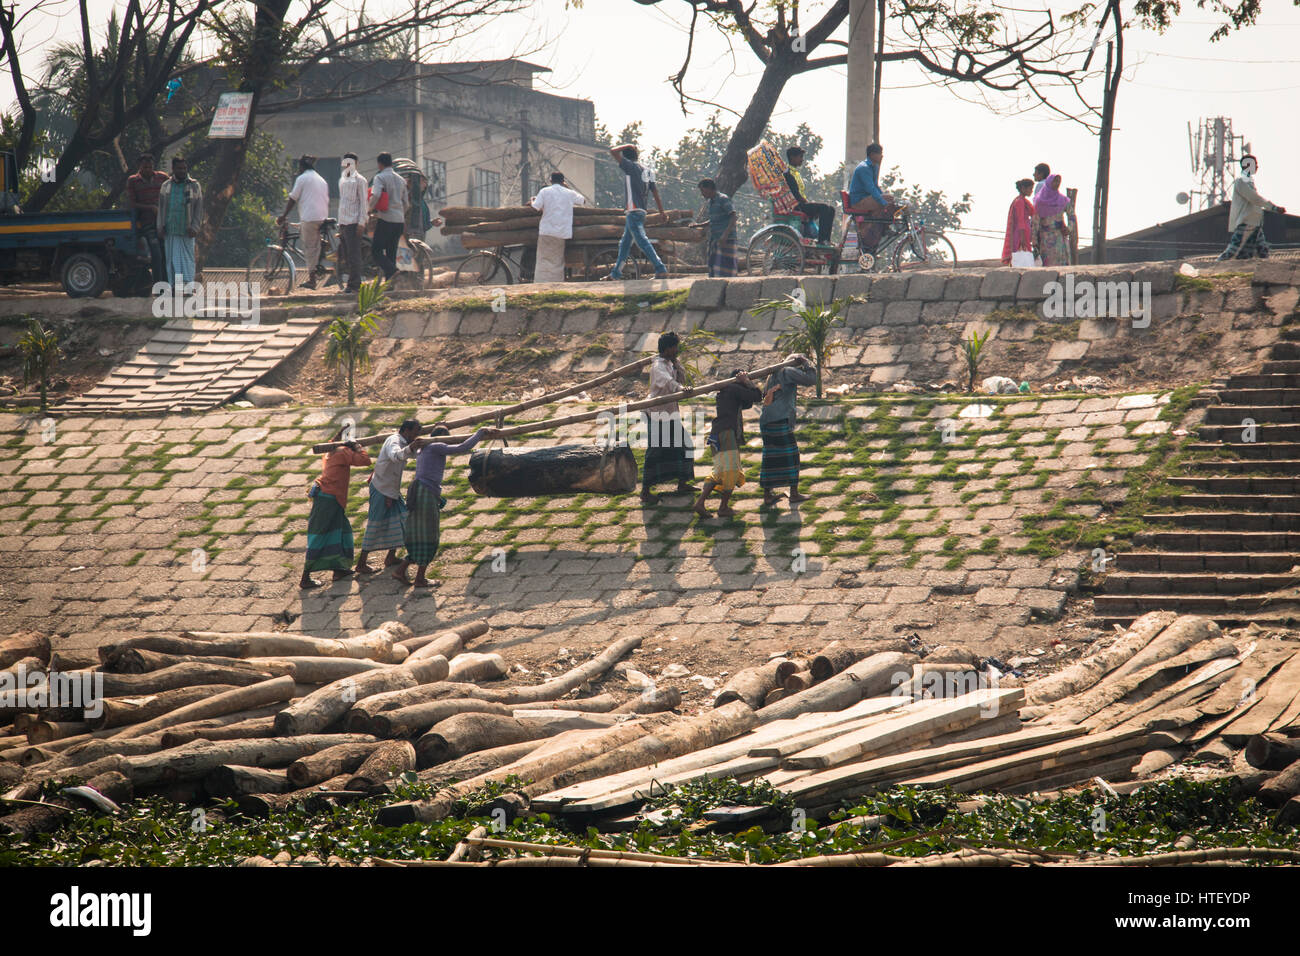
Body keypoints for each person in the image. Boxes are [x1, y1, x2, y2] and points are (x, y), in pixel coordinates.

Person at [398, 425, 501, 588]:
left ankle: (401, 570)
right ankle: (420, 578)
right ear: (441, 437)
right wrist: (480, 432)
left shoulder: (424, 449)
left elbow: (460, 443)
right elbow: (463, 447)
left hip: (420, 491)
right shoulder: (435, 446)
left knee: (420, 532)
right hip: (425, 493)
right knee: (429, 534)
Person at [301, 429, 371, 589]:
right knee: (319, 536)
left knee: (342, 532)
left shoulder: (330, 450)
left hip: (327, 496)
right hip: (329, 498)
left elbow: (333, 441)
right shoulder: (342, 451)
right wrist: (358, 447)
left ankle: (339, 569)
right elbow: (365, 460)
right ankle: (305, 577)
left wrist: (340, 434)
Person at [355, 418, 421, 576]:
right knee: (375, 524)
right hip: (381, 488)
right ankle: (361, 563)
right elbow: (395, 456)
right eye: (416, 431)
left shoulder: (404, 443)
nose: (417, 435)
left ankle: (390, 557)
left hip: (392, 490)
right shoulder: (394, 440)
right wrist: (412, 447)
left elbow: (414, 455)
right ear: (406, 430)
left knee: (403, 521)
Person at [694, 369, 762, 518]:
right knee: (731, 471)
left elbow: (748, 403)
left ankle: (700, 503)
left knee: (719, 471)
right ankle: (723, 507)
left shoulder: (728, 392)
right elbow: (757, 396)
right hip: (726, 434)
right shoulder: (734, 388)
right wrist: (748, 382)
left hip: (718, 434)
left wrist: (746, 384)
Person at [640, 331, 698, 504]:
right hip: (658, 414)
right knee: (655, 452)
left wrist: (678, 365)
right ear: (668, 348)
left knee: (684, 445)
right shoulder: (658, 366)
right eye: (675, 347)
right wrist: (681, 388)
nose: (677, 350)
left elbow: (681, 377)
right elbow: (667, 382)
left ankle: (682, 483)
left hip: (670, 412)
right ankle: (645, 491)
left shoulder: (670, 363)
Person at [759, 354, 818, 508]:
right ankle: (794, 493)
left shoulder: (773, 375)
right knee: (792, 456)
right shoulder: (787, 372)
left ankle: (767, 495)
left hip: (767, 420)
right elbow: (811, 379)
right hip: (779, 419)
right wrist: (806, 363)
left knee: (770, 458)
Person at [605, 144, 668, 280]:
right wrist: (661, 212)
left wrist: (627, 145)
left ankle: (660, 268)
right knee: (625, 244)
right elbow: (655, 192)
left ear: (626, 157)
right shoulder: (647, 170)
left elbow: (613, 151)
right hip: (641, 212)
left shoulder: (630, 166)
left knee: (642, 241)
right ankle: (616, 273)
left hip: (633, 210)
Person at [1219, 154, 1286, 260]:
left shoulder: (1249, 182)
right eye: (1255, 164)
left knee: (1261, 251)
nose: (1257, 167)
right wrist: (1273, 207)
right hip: (1246, 223)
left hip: (1255, 223)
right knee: (1233, 251)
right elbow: (1254, 198)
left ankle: (1263, 272)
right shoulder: (1241, 182)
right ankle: (1214, 267)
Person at [279, 155, 329, 289]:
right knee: (314, 244)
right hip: (321, 216)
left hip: (310, 218)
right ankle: (319, 259)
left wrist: (283, 216)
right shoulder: (321, 179)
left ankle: (312, 280)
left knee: (309, 248)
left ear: (301, 167)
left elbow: (292, 198)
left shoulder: (302, 179)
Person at [531, 171, 585, 282]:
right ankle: (556, 284)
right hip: (561, 232)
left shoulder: (544, 191)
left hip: (546, 231)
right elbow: (583, 201)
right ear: (563, 181)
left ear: (550, 180)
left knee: (543, 259)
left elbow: (536, 207)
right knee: (557, 260)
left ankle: (541, 284)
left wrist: (532, 200)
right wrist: (567, 187)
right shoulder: (569, 193)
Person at [157, 156, 202, 286]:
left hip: (187, 230)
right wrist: (160, 226)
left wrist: (195, 227)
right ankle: (175, 287)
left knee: (187, 260)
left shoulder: (194, 185)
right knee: (172, 260)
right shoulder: (166, 186)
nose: (182, 171)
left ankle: (188, 287)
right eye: (179, 168)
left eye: (184, 168)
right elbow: (161, 208)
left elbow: (199, 209)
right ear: (173, 169)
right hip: (170, 229)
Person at [124, 153, 168, 284]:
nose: (148, 170)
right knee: (156, 253)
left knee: (166, 254)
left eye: (150, 167)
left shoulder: (162, 177)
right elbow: (132, 204)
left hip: (164, 222)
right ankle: (158, 285)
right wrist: (151, 208)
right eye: (145, 167)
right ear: (140, 167)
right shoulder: (133, 180)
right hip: (147, 223)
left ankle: (167, 283)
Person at [846, 143, 897, 252]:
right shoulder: (864, 168)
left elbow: (876, 187)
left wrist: (884, 198)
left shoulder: (874, 166)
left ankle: (885, 227)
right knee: (887, 203)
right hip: (859, 201)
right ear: (873, 155)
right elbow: (871, 189)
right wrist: (883, 203)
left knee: (891, 199)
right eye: (879, 154)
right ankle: (885, 229)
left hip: (867, 198)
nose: (881, 157)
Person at [369, 152, 409, 283]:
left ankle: (392, 271)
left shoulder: (379, 177)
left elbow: (375, 195)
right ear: (391, 163)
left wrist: (368, 209)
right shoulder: (401, 180)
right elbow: (406, 204)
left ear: (379, 164)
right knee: (391, 252)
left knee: (376, 251)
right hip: (399, 221)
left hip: (386, 219)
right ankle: (390, 285)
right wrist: (400, 214)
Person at [783, 146, 834, 243]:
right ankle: (822, 240)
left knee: (831, 209)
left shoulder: (795, 173)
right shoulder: (788, 173)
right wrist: (806, 202)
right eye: (800, 157)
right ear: (792, 157)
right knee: (824, 208)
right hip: (796, 206)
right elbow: (796, 194)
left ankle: (826, 239)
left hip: (801, 204)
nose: (802, 159)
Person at [336, 152, 368, 293]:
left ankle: (354, 284)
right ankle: (350, 281)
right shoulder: (342, 180)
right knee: (346, 255)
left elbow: (363, 203)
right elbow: (342, 202)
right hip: (343, 222)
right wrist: (340, 224)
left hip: (354, 222)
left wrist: (362, 223)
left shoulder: (360, 180)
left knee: (354, 255)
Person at [694, 178, 737, 278]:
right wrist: (698, 225)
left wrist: (725, 235)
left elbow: (733, 216)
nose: (702, 194)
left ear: (709, 188)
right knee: (713, 265)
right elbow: (713, 220)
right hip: (715, 239)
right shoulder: (711, 202)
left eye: (703, 191)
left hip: (727, 239)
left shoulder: (723, 199)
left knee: (727, 267)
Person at [1033, 173, 1071, 267]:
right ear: (1049, 182)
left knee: (1062, 267)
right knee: (1047, 267)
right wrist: (1034, 241)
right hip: (1045, 239)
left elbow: (1072, 216)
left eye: (1059, 181)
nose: (1057, 183)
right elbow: (1035, 222)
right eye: (1055, 181)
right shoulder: (1039, 201)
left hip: (1060, 238)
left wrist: (1069, 228)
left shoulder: (1063, 200)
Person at [1002, 179, 1036, 266]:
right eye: (1030, 188)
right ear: (1023, 188)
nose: (1031, 191)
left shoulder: (1024, 201)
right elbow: (1020, 220)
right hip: (1020, 234)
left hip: (1024, 233)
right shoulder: (1020, 202)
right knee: (1020, 255)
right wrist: (1022, 238)